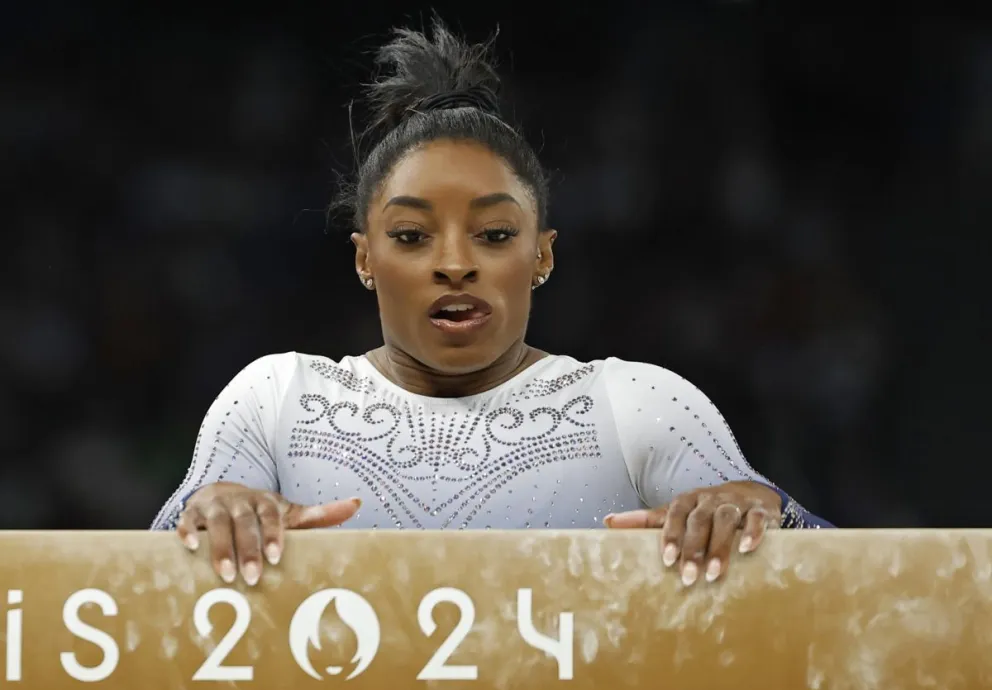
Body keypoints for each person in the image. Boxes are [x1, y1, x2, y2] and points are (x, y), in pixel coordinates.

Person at [151, 19, 832, 590]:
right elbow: (142, 572)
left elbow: (851, 581)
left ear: (542, 255)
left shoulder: (636, 404)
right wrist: (211, 511)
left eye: (496, 234)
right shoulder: (279, 399)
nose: (455, 263)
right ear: (365, 259)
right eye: (411, 236)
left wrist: (761, 508)